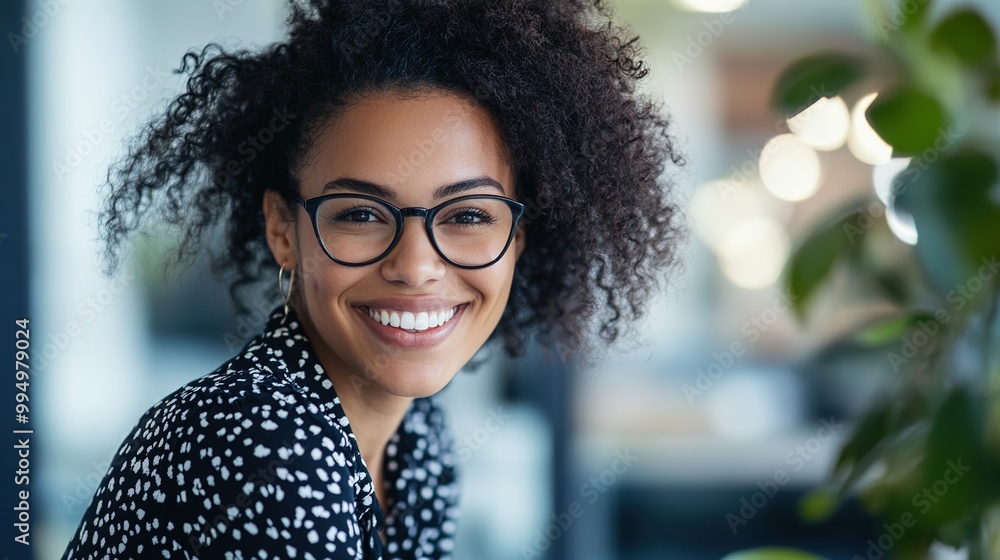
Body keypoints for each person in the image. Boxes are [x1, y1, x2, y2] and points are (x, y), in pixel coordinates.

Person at [61, 0, 682, 558]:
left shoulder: (417, 442)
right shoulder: (261, 444)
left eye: (468, 215)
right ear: (284, 230)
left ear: (517, 239)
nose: (415, 266)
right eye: (360, 214)